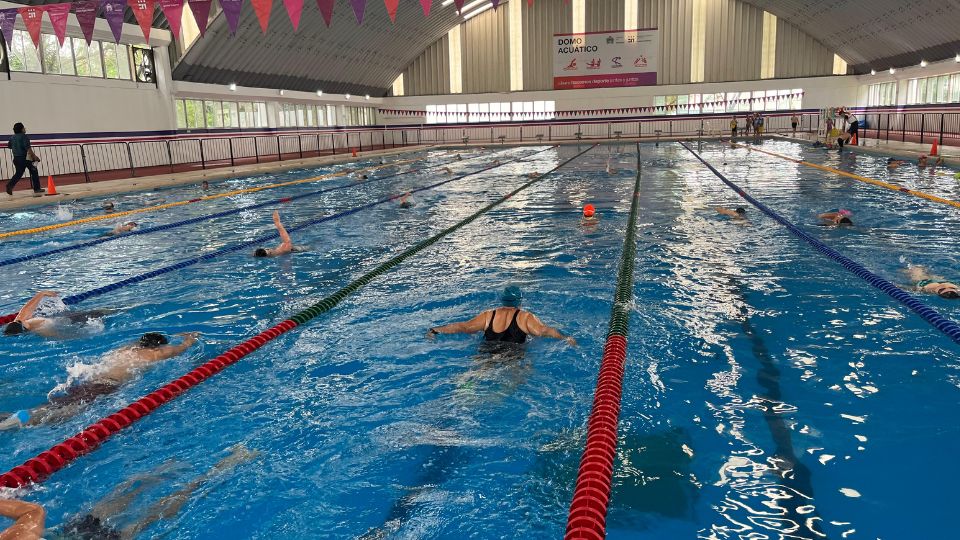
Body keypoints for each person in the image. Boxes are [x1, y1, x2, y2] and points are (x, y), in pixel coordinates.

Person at [0, 332, 199, 430]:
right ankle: (17, 421)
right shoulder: (156, 354)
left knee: (60, 403)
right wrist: (190, 338)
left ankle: (14, 416)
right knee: (69, 412)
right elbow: (181, 348)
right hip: (106, 385)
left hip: (90, 379)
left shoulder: (125, 349)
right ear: (158, 346)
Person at [55, 444, 257, 540]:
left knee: (155, 512)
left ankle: (224, 466)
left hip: (71, 532)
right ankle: (223, 465)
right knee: (136, 500)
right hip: (70, 532)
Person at [427, 286, 576, 346]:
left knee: (472, 378)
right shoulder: (525, 317)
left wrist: (436, 330)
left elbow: (464, 327)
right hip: (513, 357)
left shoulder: (488, 315)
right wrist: (565, 338)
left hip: (486, 352)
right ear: (519, 301)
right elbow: (543, 331)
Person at [3, 291, 113, 339]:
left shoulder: (23, 322)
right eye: (19, 321)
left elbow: (25, 310)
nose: (20, 319)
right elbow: (59, 337)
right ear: (24, 328)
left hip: (65, 316)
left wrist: (42, 294)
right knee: (102, 313)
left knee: (101, 312)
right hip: (70, 321)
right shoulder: (40, 329)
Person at [5, 123, 43, 197]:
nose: (25, 129)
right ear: (21, 129)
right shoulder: (24, 137)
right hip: (25, 158)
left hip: (16, 158)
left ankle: (10, 185)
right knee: (34, 171)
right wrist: (35, 157)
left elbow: (9, 146)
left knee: (18, 173)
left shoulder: (12, 138)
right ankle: (37, 188)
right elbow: (28, 148)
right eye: (24, 128)